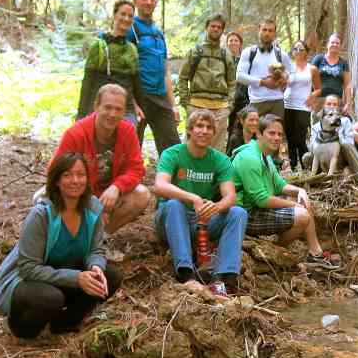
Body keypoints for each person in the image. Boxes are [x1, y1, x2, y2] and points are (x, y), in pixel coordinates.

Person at [0, 152, 123, 338]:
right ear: (56, 181)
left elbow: (96, 249)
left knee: (111, 276)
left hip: (64, 274)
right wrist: (77, 278)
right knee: (50, 298)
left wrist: (95, 266)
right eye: (67, 175)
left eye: (81, 175)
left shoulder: (92, 208)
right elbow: (28, 268)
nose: (75, 181)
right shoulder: (41, 215)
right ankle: (18, 328)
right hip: (30, 279)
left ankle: (64, 324)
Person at [153, 109, 248, 296]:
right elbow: (159, 186)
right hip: (170, 221)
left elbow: (230, 196)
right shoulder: (172, 154)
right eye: (199, 126)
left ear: (214, 133)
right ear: (189, 130)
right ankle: (186, 274)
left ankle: (224, 277)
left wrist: (217, 206)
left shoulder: (220, 160)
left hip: (201, 222)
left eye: (209, 127)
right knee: (174, 204)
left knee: (238, 212)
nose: (204, 131)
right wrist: (192, 197)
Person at [232, 114, 340, 270]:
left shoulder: (265, 155)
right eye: (271, 133)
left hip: (257, 208)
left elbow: (279, 185)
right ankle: (274, 249)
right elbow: (261, 199)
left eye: (279, 134)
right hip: (245, 216)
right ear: (259, 134)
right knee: (302, 215)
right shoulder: (249, 158)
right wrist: (293, 204)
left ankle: (315, 253)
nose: (276, 138)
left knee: (303, 201)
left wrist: (300, 191)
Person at [54, 84, 150, 233]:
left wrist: (117, 187)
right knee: (42, 198)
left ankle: (100, 238)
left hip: (109, 195)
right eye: (107, 107)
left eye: (118, 109)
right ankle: (66, 237)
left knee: (141, 194)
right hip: (79, 193)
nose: (112, 114)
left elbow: (136, 168)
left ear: (124, 111)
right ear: (96, 107)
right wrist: (91, 204)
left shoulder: (128, 131)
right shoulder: (76, 134)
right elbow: (56, 172)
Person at [128, 0, 180, 156]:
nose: (149, 2)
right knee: (132, 146)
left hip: (161, 98)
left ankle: (173, 181)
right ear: (136, 2)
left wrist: (173, 105)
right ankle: (130, 182)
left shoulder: (158, 34)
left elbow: (165, 71)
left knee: (172, 146)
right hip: (140, 96)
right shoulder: (131, 29)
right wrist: (132, 103)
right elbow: (126, 70)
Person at [76, 0, 144, 127]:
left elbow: (135, 82)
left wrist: (140, 106)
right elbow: (88, 81)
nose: (126, 18)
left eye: (130, 16)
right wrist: (81, 114)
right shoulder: (99, 46)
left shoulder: (132, 49)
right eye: (123, 14)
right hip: (102, 106)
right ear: (114, 16)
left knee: (125, 143)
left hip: (126, 108)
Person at [176, 14, 236, 151]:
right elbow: (183, 77)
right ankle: (187, 172)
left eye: (219, 27)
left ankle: (214, 172)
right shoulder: (195, 52)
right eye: (213, 26)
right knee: (191, 145)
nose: (215, 29)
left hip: (220, 108)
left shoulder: (225, 55)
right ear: (206, 28)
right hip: (196, 105)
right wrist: (186, 103)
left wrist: (229, 106)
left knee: (217, 147)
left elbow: (232, 82)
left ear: (222, 31)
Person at [236, 19, 293, 119]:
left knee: (275, 133)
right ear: (259, 30)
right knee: (255, 133)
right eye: (264, 30)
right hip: (257, 101)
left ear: (274, 33)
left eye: (270, 31)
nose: (267, 33)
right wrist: (262, 82)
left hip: (277, 101)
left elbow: (292, 74)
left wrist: (284, 80)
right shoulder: (249, 52)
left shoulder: (281, 54)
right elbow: (239, 76)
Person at [285, 40, 318, 171]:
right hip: (287, 105)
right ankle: (293, 168)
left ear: (306, 52)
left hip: (303, 107)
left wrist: (312, 96)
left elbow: (318, 88)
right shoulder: (288, 68)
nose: (298, 51)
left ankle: (306, 167)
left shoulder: (312, 68)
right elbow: (282, 85)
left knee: (300, 138)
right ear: (292, 52)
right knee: (290, 138)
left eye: (301, 49)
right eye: (296, 49)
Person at [309, 34, 353, 115]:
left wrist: (348, 103)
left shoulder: (343, 63)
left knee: (334, 126)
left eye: (337, 43)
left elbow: (347, 85)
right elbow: (309, 79)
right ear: (327, 44)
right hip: (319, 100)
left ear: (340, 46)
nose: (335, 45)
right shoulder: (318, 59)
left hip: (336, 102)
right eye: (332, 42)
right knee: (317, 126)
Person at [226, 31, 249, 138]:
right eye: (231, 40)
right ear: (227, 43)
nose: (233, 43)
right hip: (225, 100)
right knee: (227, 129)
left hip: (242, 100)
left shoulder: (245, 61)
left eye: (236, 40)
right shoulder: (223, 60)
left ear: (240, 44)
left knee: (239, 128)